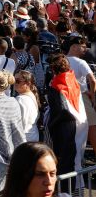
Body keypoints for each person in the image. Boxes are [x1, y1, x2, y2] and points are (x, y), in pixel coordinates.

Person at [45, 53, 87, 195]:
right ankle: (77, 192)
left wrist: (50, 125)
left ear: (53, 69)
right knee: (76, 161)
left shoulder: (57, 84)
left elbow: (61, 110)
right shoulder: (71, 77)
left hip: (67, 128)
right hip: (80, 123)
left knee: (66, 164)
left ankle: (66, 192)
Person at [14, 70, 41, 142]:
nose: (14, 83)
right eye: (14, 80)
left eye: (17, 81)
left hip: (24, 139)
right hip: (33, 136)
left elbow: (20, 124)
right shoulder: (31, 95)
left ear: (28, 84)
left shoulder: (21, 99)